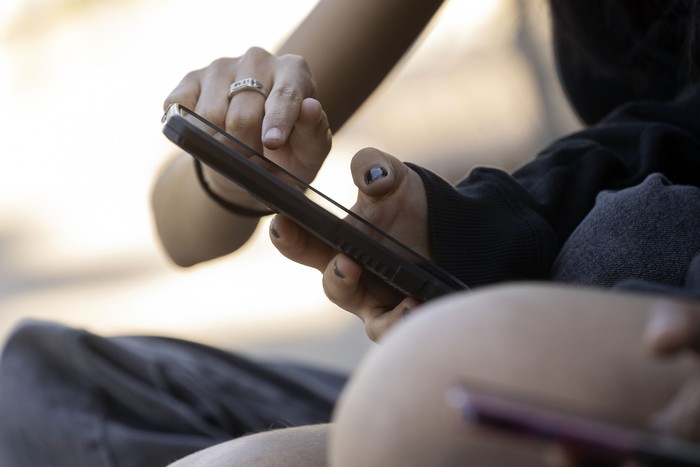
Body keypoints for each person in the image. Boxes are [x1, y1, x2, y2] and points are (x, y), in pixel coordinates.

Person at [1, 0, 700, 466]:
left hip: (649, 333)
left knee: (404, 390)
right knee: (40, 383)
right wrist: (239, 161)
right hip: (575, 310)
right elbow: (182, 226)